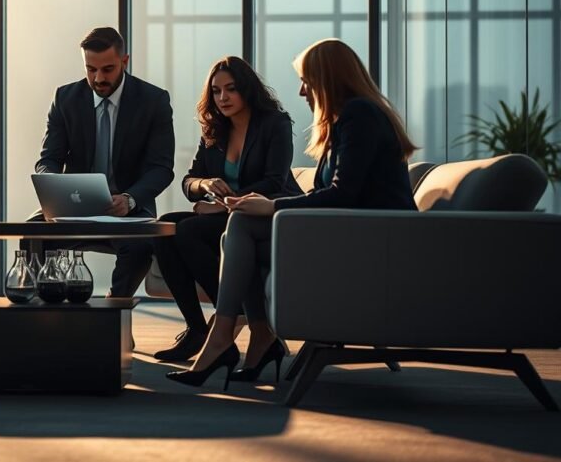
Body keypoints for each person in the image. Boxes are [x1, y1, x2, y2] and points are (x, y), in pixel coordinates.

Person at [166, 38, 418, 388]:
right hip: (351, 232)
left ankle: (225, 336)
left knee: (237, 225)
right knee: (189, 228)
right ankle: (248, 336)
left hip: (372, 242)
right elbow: (332, 193)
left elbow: (342, 194)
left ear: (329, 79)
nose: (302, 92)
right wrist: (210, 188)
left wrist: (270, 205)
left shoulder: (359, 116)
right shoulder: (347, 119)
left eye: (307, 81)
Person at [151, 56, 302, 362]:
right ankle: (198, 328)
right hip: (227, 217)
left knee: (189, 230)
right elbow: (188, 180)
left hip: (263, 216)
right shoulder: (214, 130)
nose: (223, 98)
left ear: (247, 89)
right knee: (164, 227)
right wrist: (205, 185)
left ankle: (228, 324)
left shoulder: (275, 123)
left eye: (231, 89)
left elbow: (274, 182)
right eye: (217, 91)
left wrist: (221, 208)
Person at [29, 26, 175, 297]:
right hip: (73, 206)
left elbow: (162, 168)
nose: (98, 78)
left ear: (125, 61)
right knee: (31, 233)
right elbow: (48, 159)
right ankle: (44, 314)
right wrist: (55, 190)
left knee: (141, 245)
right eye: (90, 69)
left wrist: (130, 198)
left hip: (128, 209)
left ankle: (115, 309)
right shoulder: (65, 99)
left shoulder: (153, 101)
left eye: (107, 69)